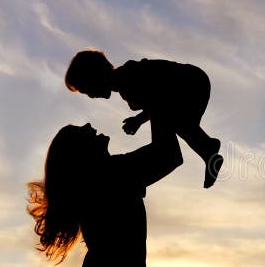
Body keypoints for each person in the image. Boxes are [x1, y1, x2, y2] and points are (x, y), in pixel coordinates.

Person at [27, 115, 216, 267]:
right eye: (79, 132)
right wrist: (159, 103)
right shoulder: (112, 174)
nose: (87, 126)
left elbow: (168, 154)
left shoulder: (109, 173)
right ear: (80, 155)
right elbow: (168, 155)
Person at [64, 48, 223, 188]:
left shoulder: (128, 77)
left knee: (172, 122)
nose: (91, 96)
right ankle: (207, 147)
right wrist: (138, 120)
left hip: (190, 83)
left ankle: (206, 147)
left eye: (87, 89)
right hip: (189, 85)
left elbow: (157, 98)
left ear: (96, 75)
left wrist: (140, 120)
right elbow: (155, 103)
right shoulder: (126, 85)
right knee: (177, 122)